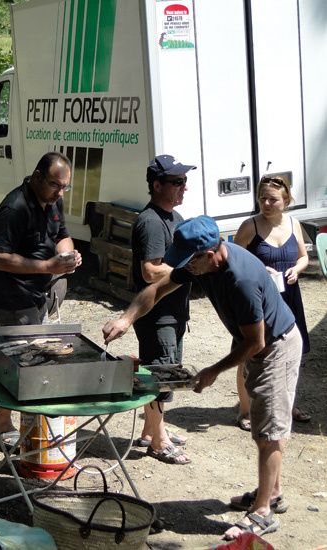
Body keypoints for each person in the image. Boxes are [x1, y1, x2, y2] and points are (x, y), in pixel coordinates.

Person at [102, 215, 302, 540]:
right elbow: (159, 288)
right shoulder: (203, 263)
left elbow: (256, 342)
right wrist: (126, 320)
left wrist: (212, 371)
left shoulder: (241, 279)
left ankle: (263, 512)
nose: (186, 267)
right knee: (266, 425)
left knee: (269, 432)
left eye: (190, 262)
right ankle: (272, 492)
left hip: (275, 348)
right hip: (257, 345)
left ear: (210, 254)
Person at [0, 151, 82, 447]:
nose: (60, 192)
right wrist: (47, 267)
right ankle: (2, 423)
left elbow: (62, 234)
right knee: (20, 363)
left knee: (27, 362)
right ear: (37, 176)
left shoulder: (53, 200)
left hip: (37, 292)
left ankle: (16, 419)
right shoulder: (15, 208)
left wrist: (67, 254)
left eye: (65, 186)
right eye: (55, 185)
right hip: (12, 296)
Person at [131, 154, 195, 465]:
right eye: (177, 182)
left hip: (173, 312)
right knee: (161, 375)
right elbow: (149, 271)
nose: (184, 187)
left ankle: (151, 430)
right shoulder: (152, 222)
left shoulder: (174, 218)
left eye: (184, 181)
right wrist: (189, 269)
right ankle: (158, 442)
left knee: (165, 370)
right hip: (157, 315)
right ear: (157, 185)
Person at [234, 175, 310, 431]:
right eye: (262, 198)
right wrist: (257, 269)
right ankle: (245, 411)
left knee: (290, 353)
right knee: (249, 353)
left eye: (272, 199)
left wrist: (297, 270)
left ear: (286, 201)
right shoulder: (249, 226)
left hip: (289, 298)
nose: (266, 203)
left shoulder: (294, 224)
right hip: (258, 301)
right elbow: (233, 260)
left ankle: (288, 405)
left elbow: (303, 257)